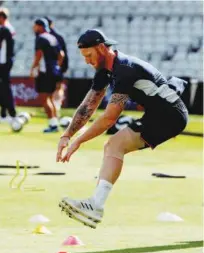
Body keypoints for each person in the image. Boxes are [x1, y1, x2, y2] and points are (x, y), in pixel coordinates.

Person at [56, 29, 188, 229]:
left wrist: (79, 141)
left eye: (89, 55)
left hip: (169, 115)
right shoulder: (105, 71)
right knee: (113, 145)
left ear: (101, 48)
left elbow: (109, 118)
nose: (87, 61)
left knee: (114, 144)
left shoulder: (124, 70)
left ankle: (95, 205)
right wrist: (67, 135)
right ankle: (95, 205)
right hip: (159, 114)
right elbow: (88, 106)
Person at [30, 18, 64, 133]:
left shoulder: (40, 38)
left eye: (35, 26)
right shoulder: (52, 37)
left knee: (44, 99)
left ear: (40, 26)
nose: (33, 28)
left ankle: (53, 124)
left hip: (45, 73)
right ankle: (55, 122)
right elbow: (61, 55)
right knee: (50, 98)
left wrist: (33, 68)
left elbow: (39, 54)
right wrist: (56, 66)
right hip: (54, 72)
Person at [44, 17, 69, 117]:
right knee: (58, 88)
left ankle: (54, 110)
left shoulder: (48, 37)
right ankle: (56, 107)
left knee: (52, 90)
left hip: (52, 68)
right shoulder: (58, 36)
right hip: (58, 67)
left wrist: (57, 67)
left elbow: (61, 54)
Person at [0, 7, 16, 123]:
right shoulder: (8, 28)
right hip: (5, 61)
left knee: (5, 88)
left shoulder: (5, 29)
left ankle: (11, 113)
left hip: (3, 62)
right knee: (4, 88)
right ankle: (4, 113)